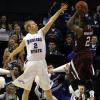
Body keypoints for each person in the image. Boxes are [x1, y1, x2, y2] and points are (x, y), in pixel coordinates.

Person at [6, 4, 68, 100]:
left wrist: (60, 11)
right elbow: (19, 48)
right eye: (34, 24)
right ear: (29, 27)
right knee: (26, 90)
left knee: (47, 89)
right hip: (30, 63)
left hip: (42, 63)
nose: (36, 25)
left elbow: (51, 20)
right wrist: (11, 54)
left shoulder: (41, 32)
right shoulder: (26, 37)